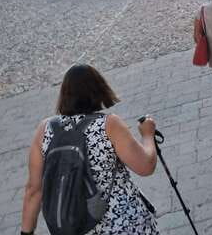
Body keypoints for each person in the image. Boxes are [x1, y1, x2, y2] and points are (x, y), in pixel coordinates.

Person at [20, 65, 159, 235]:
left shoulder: (45, 129)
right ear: (99, 89)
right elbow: (145, 166)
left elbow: (33, 190)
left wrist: (26, 232)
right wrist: (147, 135)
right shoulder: (109, 125)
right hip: (124, 224)